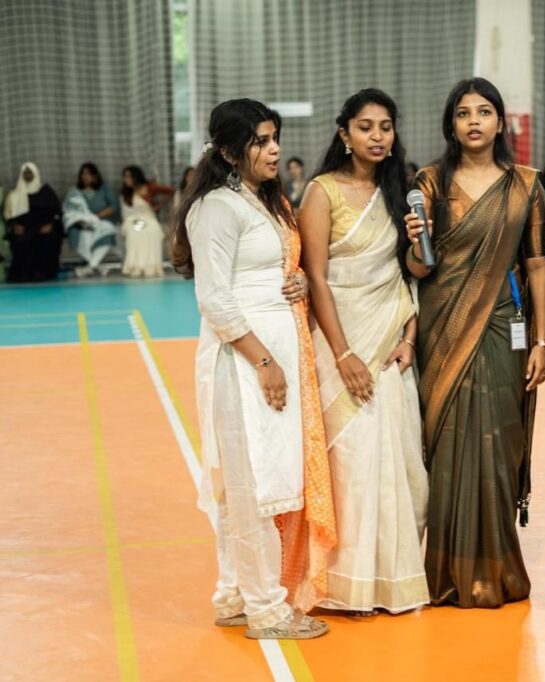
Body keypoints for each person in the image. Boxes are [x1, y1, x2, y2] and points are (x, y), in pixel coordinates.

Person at [172, 98, 335, 639]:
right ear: (228, 151)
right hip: (242, 362)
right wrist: (263, 361)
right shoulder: (217, 207)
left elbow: (277, 266)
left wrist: (299, 281)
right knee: (252, 485)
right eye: (260, 141)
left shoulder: (263, 201)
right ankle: (266, 609)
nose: (274, 149)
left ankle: (236, 594)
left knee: (262, 480)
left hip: (273, 354)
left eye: (274, 138)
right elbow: (215, 299)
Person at [404, 77, 545, 608]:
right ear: (451, 123)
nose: (473, 121)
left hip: (504, 325)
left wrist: (544, 339)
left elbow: (537, 265)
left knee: (499, 436)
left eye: (483, 111)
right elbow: (418, 267)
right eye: (463, 113)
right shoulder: (429, 182)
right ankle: (446, 570)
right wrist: (415, 243)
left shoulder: (526, 185)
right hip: (442, 327)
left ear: (499, 121)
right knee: (447, 442)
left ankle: (498, 569)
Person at [299, 89, 429, 615]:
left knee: (402, 464)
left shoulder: (401, 193)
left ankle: (393, 580)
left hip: (391, 345)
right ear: (344, 133)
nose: (377, 136)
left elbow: (412, 274)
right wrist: (342, 354)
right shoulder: (322, 191)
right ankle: (347, 583)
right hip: (342, 345)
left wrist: (409, 337)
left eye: (385, 127)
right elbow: (316, 278)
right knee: (351, 465)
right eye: (365, 127)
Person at [3, 162, 63, 282]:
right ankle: (23, 275)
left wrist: (51, 224)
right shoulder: (14, 194)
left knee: (46, 239)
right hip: (23, 229)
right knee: (21, 241)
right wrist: (14, 225)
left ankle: (42, 273)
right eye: (25, 173)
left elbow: (57, 213)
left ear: (36, 173)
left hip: (44, 228)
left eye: (30, 172)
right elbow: (8, 215)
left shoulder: (46, 191)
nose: (27, 175)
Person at [65, 163, 119, 277]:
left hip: (102, 221)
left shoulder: (104, 188)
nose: (85, 176)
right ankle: (96, 266)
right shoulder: (74, 192)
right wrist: (82, 221)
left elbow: (114, 206)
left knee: (107, 230)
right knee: (74, 232)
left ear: (95, 176)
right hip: (82, 224)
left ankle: (90, 267)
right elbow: (69, 211)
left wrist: (96, 217)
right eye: (83, 174)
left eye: (88, 173)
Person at [120, 166, 173, 277]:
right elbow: (125, 213)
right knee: (135, 231)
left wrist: (159, 205)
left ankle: (151, 266)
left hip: (149, 218)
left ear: (136, 177)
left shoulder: (150, 187)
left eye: (129, 176)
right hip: (133, 220)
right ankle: (136, 267)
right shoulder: (125, 192)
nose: (126, 179)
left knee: (152, 230)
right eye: (125, 177)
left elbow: (170, 191)